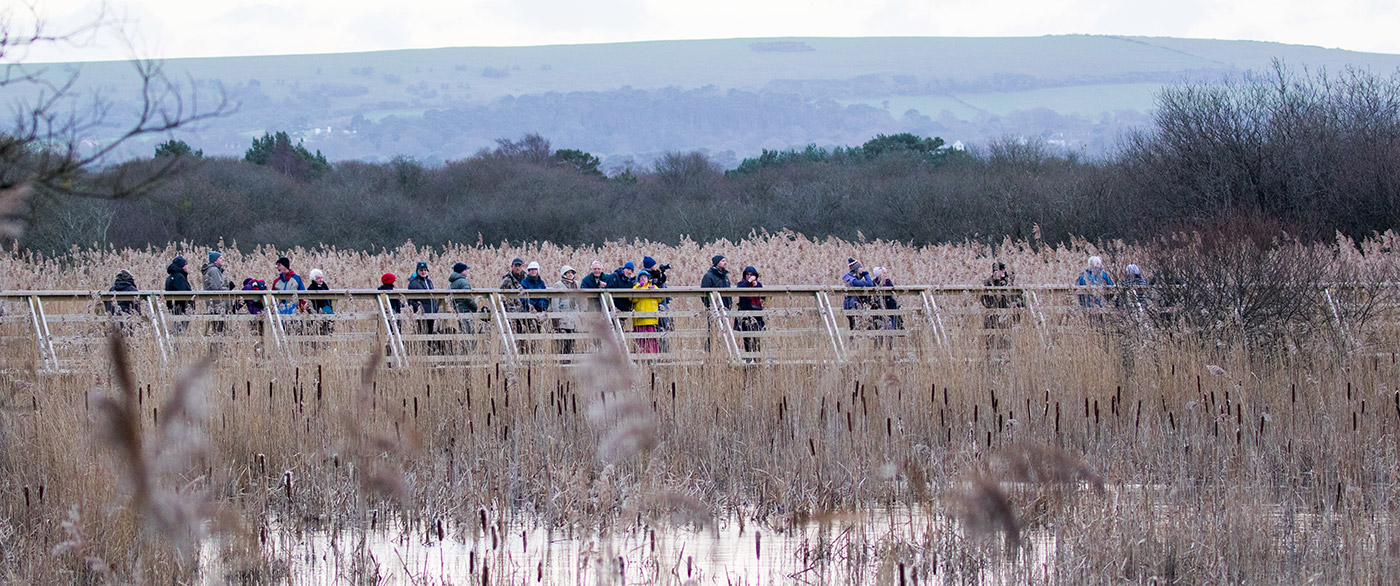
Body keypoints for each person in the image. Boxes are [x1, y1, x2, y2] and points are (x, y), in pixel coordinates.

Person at [735, 266, 765, 357]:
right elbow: (739, 290)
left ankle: (757, 358)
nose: (749, 276)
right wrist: (748, 282)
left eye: (751, 275)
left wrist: (756, 287)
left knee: (757, 337)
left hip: (757, 313)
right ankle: (748, 358)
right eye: (747, 274)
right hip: (745, 313)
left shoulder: (759, 285)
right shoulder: (741, 283)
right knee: (746, 337)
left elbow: (764, 297)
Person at [406, 262, 439, 347]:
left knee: (430, 332)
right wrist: (419, 308)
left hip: (431, 312)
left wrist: (435, 307)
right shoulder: (413, 283)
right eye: (421, 270)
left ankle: (429, 350)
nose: (423, 272)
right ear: (417, 271)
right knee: (422, 332)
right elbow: (411, 300)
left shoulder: (429, 281)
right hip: (421, 313)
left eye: (425, 270)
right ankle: (423, 350)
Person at [552, 265, 581, 355]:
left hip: (574, 315)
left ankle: (570, 356)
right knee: (563, 339)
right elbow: (555, 302)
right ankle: (563, 358)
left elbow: (579, 300)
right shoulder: (558, 285)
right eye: (567, 273)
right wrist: (557, 316)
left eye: (571, 272)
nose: (570, 274)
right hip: (563, 315)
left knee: (572, 339)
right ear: (563, 274)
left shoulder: (576, 284)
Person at [871, 267, 904, 345]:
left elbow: (894, 295)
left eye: (886, 272)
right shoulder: (874, 283)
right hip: (879, 312)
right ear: (878, 275)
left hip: (891, 310)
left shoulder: (889, 282)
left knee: (890, 331)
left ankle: (890, 347)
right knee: (879, 332)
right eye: (883, 273)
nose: (886, 274)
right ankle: (879, 348)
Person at [631, 270, 662, 353]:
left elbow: (660, 298)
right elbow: (633, 299)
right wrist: (639, 288)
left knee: (651, 342)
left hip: (651, 320)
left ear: (648, 279)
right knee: (640, 342)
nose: (643, 279)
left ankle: (652, 360)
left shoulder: (653, 287)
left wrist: (654, 290)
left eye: (645, 277)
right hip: (639, 320)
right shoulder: (636, 287)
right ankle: (640, 359)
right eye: (641, 277)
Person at [201, 250, 232, 333]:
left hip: (213, 303)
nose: (223, 259)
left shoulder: (211, 270)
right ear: (215, 260)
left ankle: (216, 345)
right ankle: (218, 345)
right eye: (220, 258)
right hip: (218, 304)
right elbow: (218, 287)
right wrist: (228, 290)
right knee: (219, 329)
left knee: (217, 328)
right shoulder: (214, 270)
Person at [842, 257, 875, 330]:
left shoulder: (849, 278)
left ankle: (852, 340)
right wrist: (866, 274)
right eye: (860, 267)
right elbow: (870, 284)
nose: (862, 269)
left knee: (853, 327)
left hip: (849, 305)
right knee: (855, 328)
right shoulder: (854, 281)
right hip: (853, 306)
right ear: (856, 269)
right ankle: (853, 341)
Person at [164, 255, 193, 332]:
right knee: (179, 330)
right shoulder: (179, 277)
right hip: (182, 308)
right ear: (182, 266)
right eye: (185, 265)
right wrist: (189, 304)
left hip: (175, 307)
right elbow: (184, 292)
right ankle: (176, 343)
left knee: (177, 327)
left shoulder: (170, 277)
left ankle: (175, 341)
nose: (187, 267)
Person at [306, 268, 334, 335]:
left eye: (321, 278)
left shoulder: (324, 286)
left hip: (326, 309)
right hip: (317, 310)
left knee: (330, 322)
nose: (321, 280)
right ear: (314, 279)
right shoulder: (311, 288)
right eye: (318, 278)